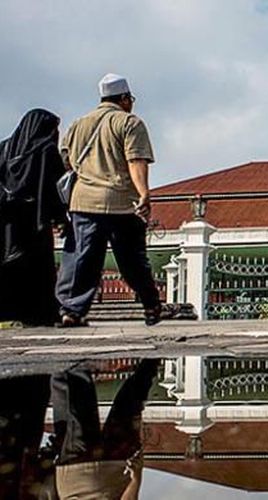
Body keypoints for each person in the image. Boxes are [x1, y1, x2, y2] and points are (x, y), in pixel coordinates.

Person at [56, 74, 175, 327]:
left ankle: (72, 310)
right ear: (124, 99)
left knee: (81, 259)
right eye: (130, 99)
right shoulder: (129, 122)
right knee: (132, 260)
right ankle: (151, 304)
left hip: (84, 202)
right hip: (122, 202)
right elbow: (136, 160)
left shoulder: (78, 124)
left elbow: (66, 162)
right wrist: (144, 193)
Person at [51, 359, 160, 499]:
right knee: (81, 416)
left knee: (127, 409)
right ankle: (75, 367)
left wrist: (136, 479)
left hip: (113, 472)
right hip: (76, 479)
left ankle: (150, 364)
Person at [0, 109, 67, 326]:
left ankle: (8, 312)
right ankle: (39, 314)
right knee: (37, 270)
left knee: (10, 265)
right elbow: (53, 189)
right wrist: (60, 219)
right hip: (34, 221)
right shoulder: (46, 151)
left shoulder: (4, 148)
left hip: (8, 221)